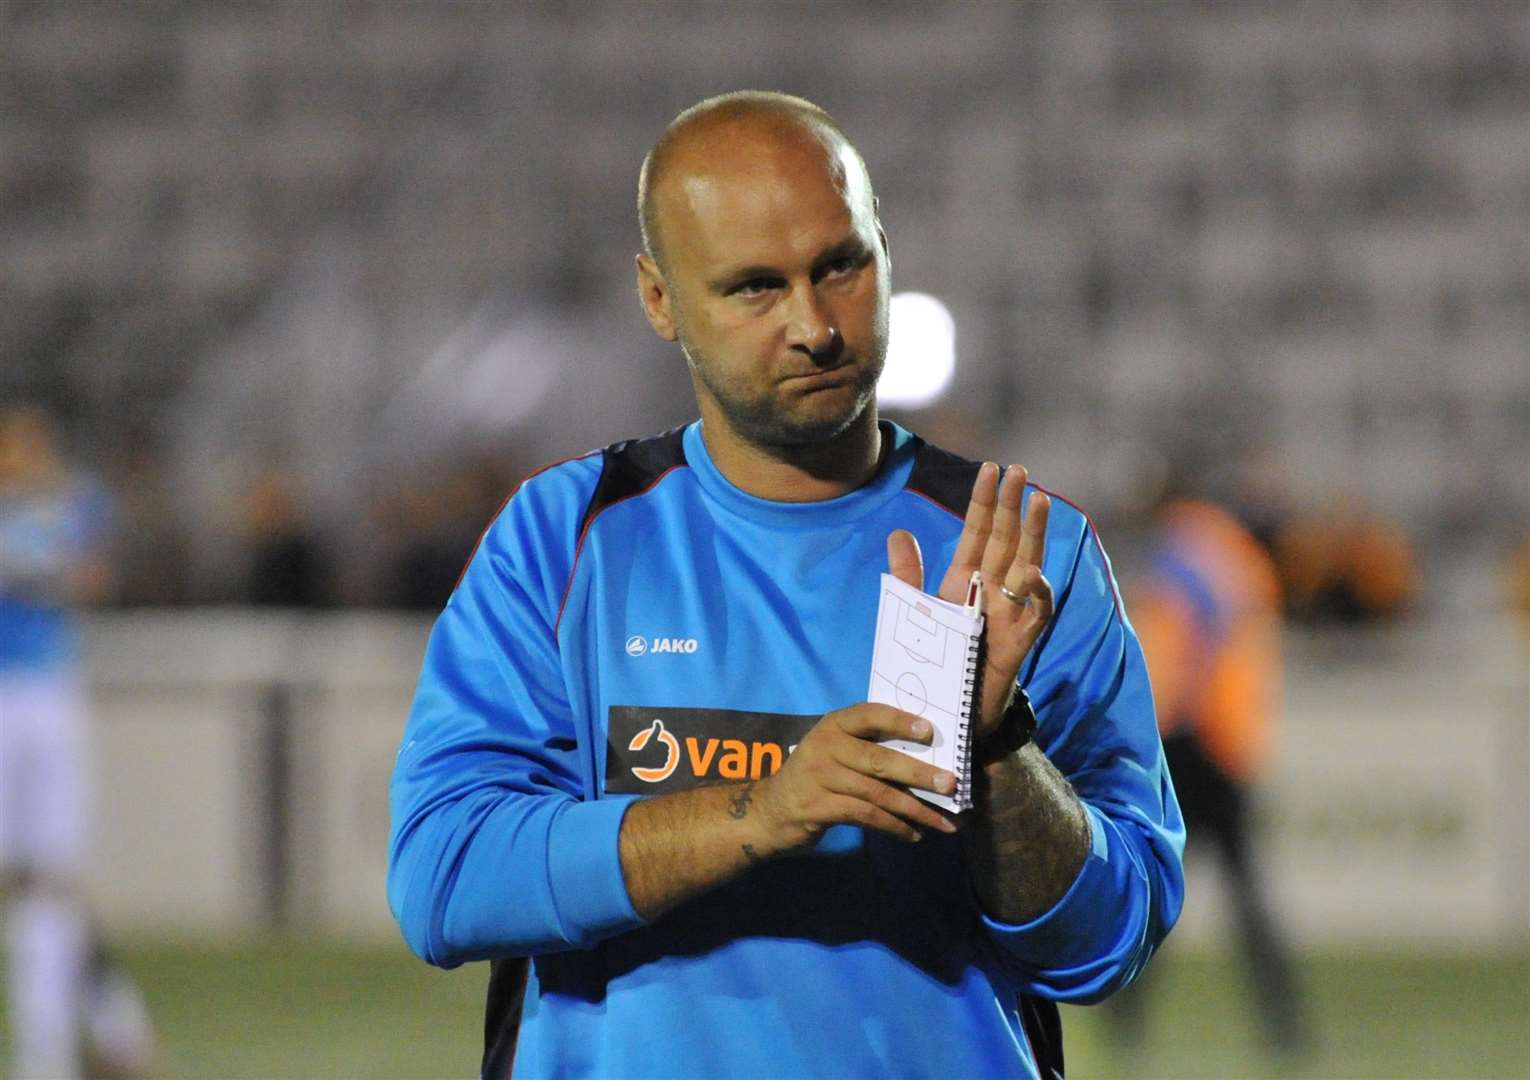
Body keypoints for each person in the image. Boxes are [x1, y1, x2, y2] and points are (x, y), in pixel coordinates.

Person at [388, 92, 1184, 1079]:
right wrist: (765, 811)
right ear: (658, 298)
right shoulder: (563, 540)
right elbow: (445, 881)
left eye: (841, 266)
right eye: (756, 288)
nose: (814, 326)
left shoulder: (1024, 554)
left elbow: (1112, 943)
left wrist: (998, 751)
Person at [1119, 487, 1310, 1059]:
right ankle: (1283, 1020)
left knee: (1156, 885)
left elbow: (1185, 643)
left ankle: (1123, 1009)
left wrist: (1161, 722)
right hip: (1231, 742)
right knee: (1246, 894)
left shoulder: (1182, 550)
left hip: (1194, 741)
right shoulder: (1233, 551)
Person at [0, 404, 155, 1079]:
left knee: (50, 880)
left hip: (48, 690)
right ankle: (111, 1022)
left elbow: (93, 578)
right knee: (28, 882)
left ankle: (60, 1046)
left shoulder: (74, 502)